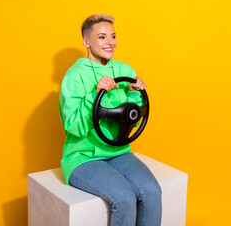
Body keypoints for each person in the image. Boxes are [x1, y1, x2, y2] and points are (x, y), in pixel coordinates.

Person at [59, 14, 162, 226]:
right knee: (123, 198)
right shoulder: (74, 75)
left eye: (113, 36)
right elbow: (74, 127)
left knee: (152, 191)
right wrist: (94, 95)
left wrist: (135, 93)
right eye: (102, 37)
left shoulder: (125, 70)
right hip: (83, 157)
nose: (110, 43)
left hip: (119, 152)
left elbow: (131, 118)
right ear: (86, 41)